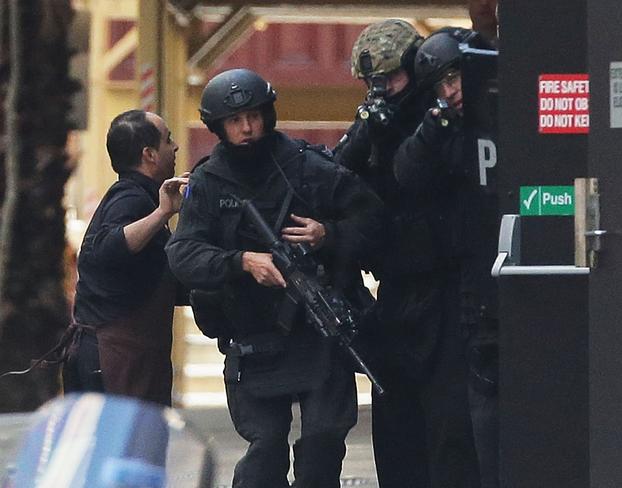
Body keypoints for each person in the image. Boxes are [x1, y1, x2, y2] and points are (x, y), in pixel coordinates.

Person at [165, 68, 383, 488]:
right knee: (265, 451)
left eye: (254, 116)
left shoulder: (308, 166)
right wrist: (242, 261)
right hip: (254, 340)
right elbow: (183, 253)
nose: (247, 128)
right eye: (234, 120)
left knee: (322, 441)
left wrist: (328, 234)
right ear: (218, 126)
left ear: (268, 113)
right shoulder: (209, 182)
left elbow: (374, 220)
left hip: (319, 336)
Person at [334, 19, 480, 488]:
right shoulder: (378, 120)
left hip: (448, 287)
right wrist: (369, 128)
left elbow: (419, 174)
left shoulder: (445, 115)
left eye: (391, 79)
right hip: (396, 292)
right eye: (373, 83)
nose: (383, 90)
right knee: (396, 431)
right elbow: (338, 176)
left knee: (449, 429)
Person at [394, 28, 500, 488]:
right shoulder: (440, 129)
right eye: (441, 84)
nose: (451, 91)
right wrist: (433, 127)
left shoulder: (506, 114)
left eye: (455, 77)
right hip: (473, 294)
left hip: (522, 279)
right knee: (476, 424)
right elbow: (406, 172)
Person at [62, 109, 188, 407]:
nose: (176, 147)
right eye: (168, 140)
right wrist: (163, 213)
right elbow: (106, 248)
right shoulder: (131, 199)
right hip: (114, 361)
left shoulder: (136, 196)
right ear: (150, 154)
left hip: (114, 358)